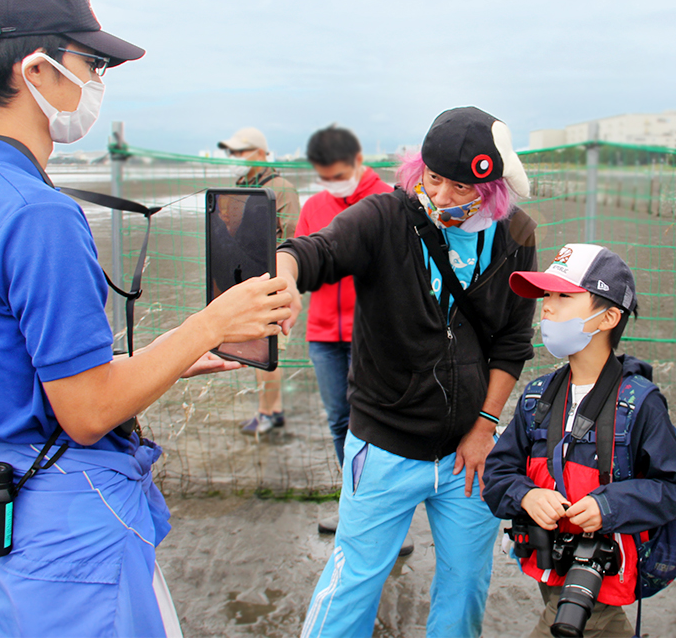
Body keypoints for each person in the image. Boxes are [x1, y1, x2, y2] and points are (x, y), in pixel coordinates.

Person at [0, 0, 292, 637]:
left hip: (9, 507)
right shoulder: (38, 213)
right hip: (69, 513)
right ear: (35, 69)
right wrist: (209, 322)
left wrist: (163, 356)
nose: (97, 80)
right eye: (91, 62)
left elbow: (29, 366)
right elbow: (89, 409)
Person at [280, 106, 537, 638]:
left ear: (493, 189)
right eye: (434, 178)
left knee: (465, 586)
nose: (441, 196)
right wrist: (285, 278)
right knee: (354, 579)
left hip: (470, 452)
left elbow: (513, 342)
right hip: (385, 447)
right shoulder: (385, 218)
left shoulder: (515, 235)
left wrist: (485, 426)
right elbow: (313, 251)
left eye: (462, 187)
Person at [483, 244, 676, 638]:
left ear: (609, 317)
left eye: (564, 297)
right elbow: (497, 473)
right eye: (546, 296)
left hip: (602, 578)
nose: (547, 307)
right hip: (550, 566)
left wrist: (608, 506)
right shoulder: (537, 396)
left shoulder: (640, 405)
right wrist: (526, 495)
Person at [299, 125, 393, 535]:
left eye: (339, 175)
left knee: (374, 424)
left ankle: (384, 516)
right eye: (325, 178)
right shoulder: (314, 207)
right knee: (339, 420)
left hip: (372, 334)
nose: (333, 186)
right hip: (322, 333)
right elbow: (301, 262)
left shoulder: (388, 201)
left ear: (358, 161)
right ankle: (354, 505)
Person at [219, 127, 300, 436]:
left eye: (242, 151)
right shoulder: (241, 185)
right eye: (233, 152)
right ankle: (269, 410)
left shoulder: (281, 187)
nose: (236, 158)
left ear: (261, 153)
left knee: (268, 348)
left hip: (271, 282)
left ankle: (270, 412)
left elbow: (294, 238)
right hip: (243, 278)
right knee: (254, 347)